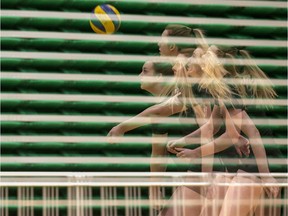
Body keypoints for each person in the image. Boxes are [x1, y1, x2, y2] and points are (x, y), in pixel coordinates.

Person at [167, 44, 280, 215]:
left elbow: (249, 133)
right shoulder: (219, 91)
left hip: (257, 165)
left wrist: (266, 176)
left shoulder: (228, 90)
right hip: (242, 165)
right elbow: (212, 126)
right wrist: (182, 142)